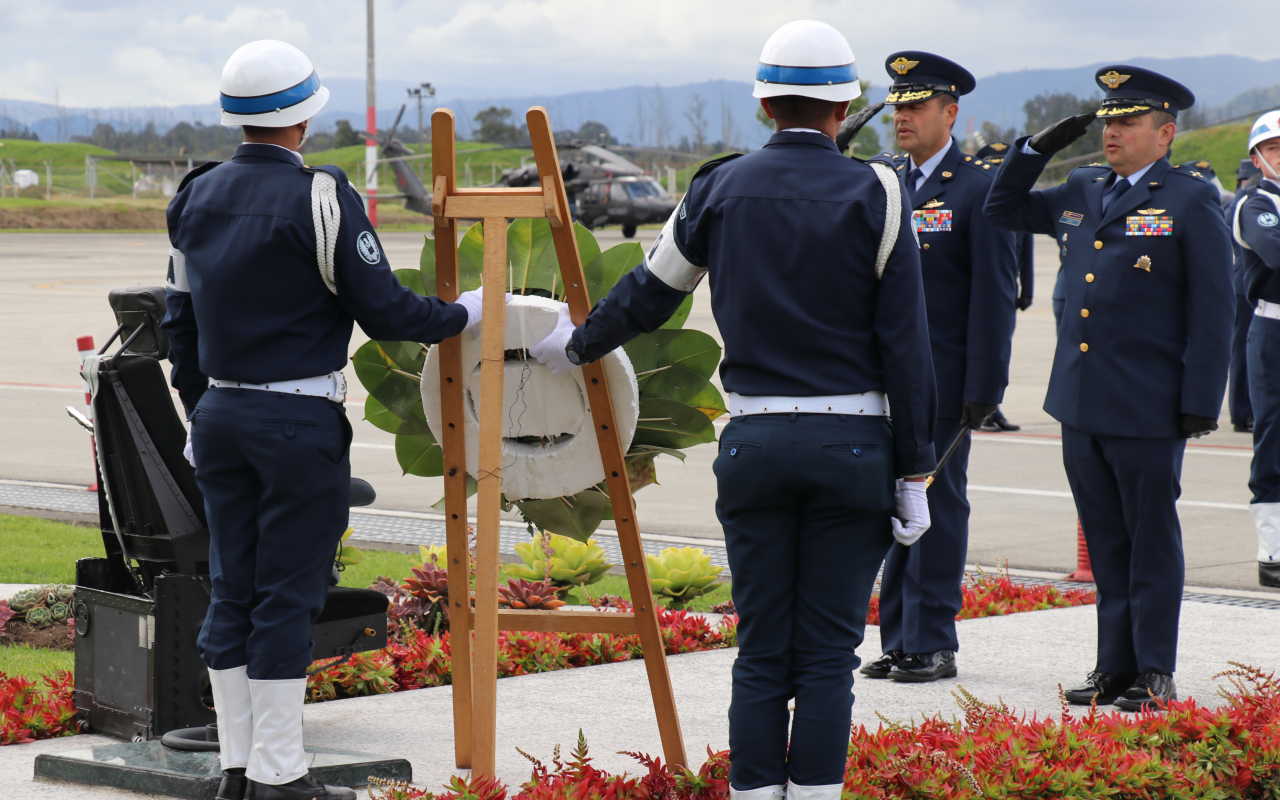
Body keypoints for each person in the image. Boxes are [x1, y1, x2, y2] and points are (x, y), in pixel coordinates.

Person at [530, 20, 937, 800]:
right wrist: (915, 467)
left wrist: (579, 345)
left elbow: (649, 296)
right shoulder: (879, 190)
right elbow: (906, 346)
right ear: (847, 102)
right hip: (851, 448)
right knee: (825, 655)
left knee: (760, 651)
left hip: (752, 444)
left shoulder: (717, 187)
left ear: (763, 106)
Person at [162, 40, 492, 800]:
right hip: (295, 421)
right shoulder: (321, 195)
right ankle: (283, 776)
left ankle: (237, 774)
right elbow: (385, 311)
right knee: (288, 593)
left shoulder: (194, 196)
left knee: (231, 588)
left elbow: (178, 319)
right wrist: (461, 314)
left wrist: (196, 406)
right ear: (305, 114)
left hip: (218, 413)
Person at [984, 65, 1233, 710]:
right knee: (1106, 539)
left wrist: (1200, 402)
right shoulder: (1082, 185)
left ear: (1165, 133)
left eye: (1127, 121)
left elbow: (1212, 310)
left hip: (1148, 404)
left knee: (1150, 540)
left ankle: (1155, 670)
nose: (1112, 131)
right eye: (1108, 121)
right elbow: (1002, 207)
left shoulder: (1190, 198)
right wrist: (1036, 148)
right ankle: (1112, 668)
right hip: (1080, 400)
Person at [858, 53, 1018, 684]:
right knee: (891, 503)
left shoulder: (979, 187)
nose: (902, 116)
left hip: (946, 380)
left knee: (936, 505)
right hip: (885, 378)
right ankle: (899, 638)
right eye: (897, 105)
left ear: (951, 113)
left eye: (916, 106)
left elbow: (995, 295)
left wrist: (986, 385)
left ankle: (934, 641)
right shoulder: (884, 181)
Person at [1232, 111, 1280, 588]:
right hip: (1274, 332)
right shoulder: (1256, 202)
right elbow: (1275, 250)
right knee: (1274, 438)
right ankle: (1273, 550)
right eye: (1275, 149)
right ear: (1258, 158)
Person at [973, 142, 1030, 433]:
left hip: (1008, 287)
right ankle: (990, 407)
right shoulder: (982, 196)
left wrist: (1027, 288)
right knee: (988, 351)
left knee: (1001, 349)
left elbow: (1026, 247)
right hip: (988, 289)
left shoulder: (1014, 203)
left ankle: (995, 406)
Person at [1228, 158, 1262, 434]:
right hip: (1245, 284)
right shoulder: (1247, 199)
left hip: (1248, 282)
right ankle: (1242, 413)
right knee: (1242, 351)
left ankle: (1247, 411)